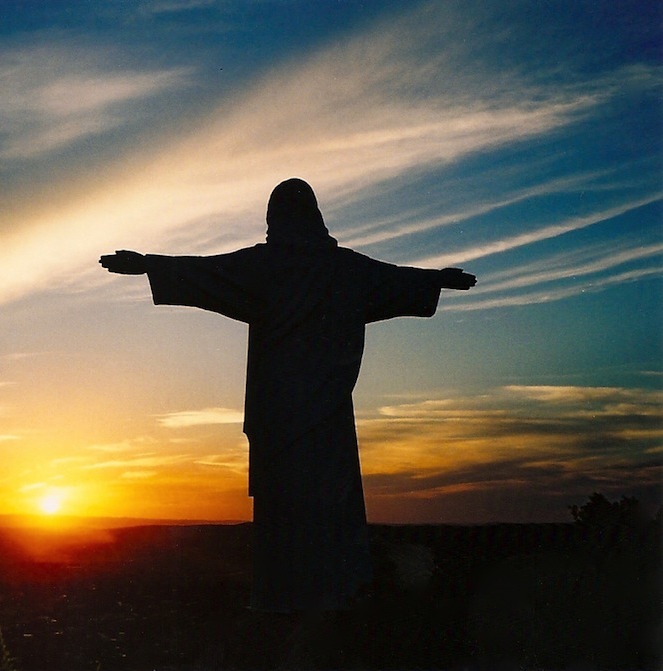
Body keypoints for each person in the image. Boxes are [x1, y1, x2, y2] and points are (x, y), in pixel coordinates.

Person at [99, 178, 475, 615]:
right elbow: (394, 279)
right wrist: (436, 280)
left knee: (286, 509)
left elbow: (207, 272)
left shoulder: (268, 266)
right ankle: (333, 594)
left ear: (275, 219)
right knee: (329, 504)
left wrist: (149, 264)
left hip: (279, 408)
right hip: (327, 408)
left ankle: (290, 601)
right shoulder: (346, 269)